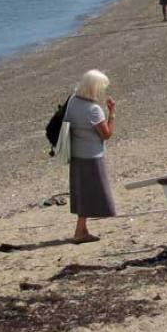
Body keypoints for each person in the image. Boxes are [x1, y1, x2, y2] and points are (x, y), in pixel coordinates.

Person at [64, 70, 117, 243]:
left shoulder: (73, 101)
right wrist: (112, 113)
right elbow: (106, 135)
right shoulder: (94, 110)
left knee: (82, 193)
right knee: (91, 193)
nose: (102, 91)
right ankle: (80, 232)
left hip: (76, 154)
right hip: (92, 155)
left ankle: (81, 230)